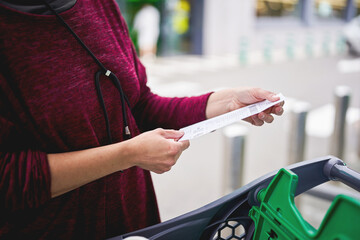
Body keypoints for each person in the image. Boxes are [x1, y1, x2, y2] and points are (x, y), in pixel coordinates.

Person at [0, 0, 284, 239]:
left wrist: (226, 103)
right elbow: (8, 178)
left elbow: (138, 106)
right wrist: (128, 154)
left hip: (136, 224)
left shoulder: (101, 6)